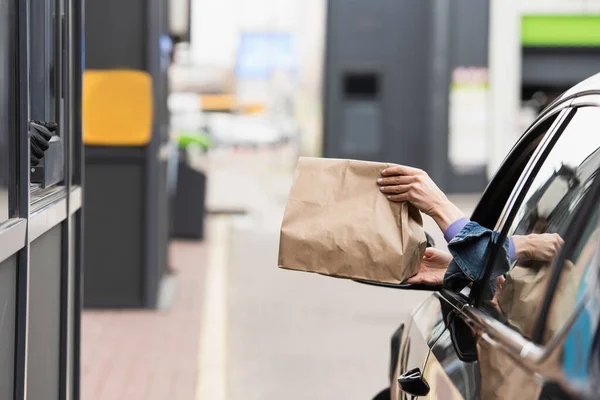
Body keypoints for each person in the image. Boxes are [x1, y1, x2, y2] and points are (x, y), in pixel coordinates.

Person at [376, 165, 564, 290]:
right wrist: (464, 271)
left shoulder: (573, 251)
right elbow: (514, 304)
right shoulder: (574, 261)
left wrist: (439, 206)